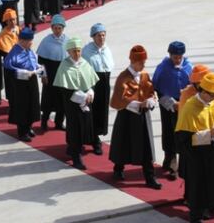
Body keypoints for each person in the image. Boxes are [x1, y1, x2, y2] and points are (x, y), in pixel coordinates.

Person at [109, 45, 162, 189]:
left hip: (142, 117)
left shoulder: (144, 75)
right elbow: (119, 99)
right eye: (141, 62)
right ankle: (118, 169)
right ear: (133, 61)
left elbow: (150, 92)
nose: (144, 65)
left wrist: (151, 101)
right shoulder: (123, 77)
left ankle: (150, 177)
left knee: (146, 147)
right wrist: (138, 104)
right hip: (127, 116)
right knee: (123, 144)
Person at [175, 73, 214, 223]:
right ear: (203, 92)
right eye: (213, 94)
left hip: (212, 148)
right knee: (198, 184)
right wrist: (208, 134)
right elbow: (184, 137)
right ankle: (196, 214)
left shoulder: (213, 101)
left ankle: (210, 205)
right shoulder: (190, 107)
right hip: (196, 153)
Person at [54, 37, 99, 170]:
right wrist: (82, 97)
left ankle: (75, 147)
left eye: (78, 51)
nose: (77, 54)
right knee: (74, 128)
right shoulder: (64, 66)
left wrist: (90, 92)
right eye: (74, 51)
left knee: (85, 125)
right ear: (68, 51)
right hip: (72, 104)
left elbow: (91, 81)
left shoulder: (85, 63)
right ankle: (75, 155)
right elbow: (65, 89)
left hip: (86, 102)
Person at [153, 41, 193, 180]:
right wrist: (170, 102)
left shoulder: (189, 67)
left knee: (182, 133)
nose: (177, 60)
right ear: (170, 55)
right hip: (168, 105)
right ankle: (170, 159)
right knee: (169, 131)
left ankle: (182, 162)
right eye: (174, 57)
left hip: (184, 106)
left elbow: (194, 87)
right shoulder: (163, 68)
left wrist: (184, 102)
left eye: (179, 57)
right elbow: (157, 88)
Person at [4, 28, 43, 142]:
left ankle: (29, 126)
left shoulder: (28, 50)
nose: (31, 42)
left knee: (32, 104)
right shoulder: (14, 52)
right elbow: (9, 68)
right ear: (22, 41)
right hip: (20, 85)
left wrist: (39, 67)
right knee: (22, 107)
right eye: (30, 40)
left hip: (31, 80)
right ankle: (22, 131)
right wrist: (23, 72)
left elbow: (33, 62)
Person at [82, 23, 114, 155]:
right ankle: (94, 139)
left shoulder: (106, 49)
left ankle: (97, 135)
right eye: (98, 36)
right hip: (93, 83)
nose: (101, 38)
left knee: (102, 111)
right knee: (92, 111)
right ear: (93, 37)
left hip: (104, 83)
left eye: (103, 35)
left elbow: (109, 65)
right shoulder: (87, 50)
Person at [37, 14, 68, 131]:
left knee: (62, 101)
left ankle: (59, 122)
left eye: (59, 28)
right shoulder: (46, 41)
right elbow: (40, 61)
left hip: (63, 76)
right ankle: (44, 121)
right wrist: (42, 75)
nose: (57, 30)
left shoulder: (68, 41)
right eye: (55, 28)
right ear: (51, 28)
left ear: (63, 28)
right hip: (49, 76)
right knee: (48, 101)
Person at [0, 9, 20, 102]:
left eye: (14, 19)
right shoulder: (3, 35)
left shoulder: (18, 29)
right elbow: (4, 51)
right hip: (10, 64)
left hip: (21, 62)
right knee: (11, 85)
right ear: (6, 21)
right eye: (10, 20)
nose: (13, 22)